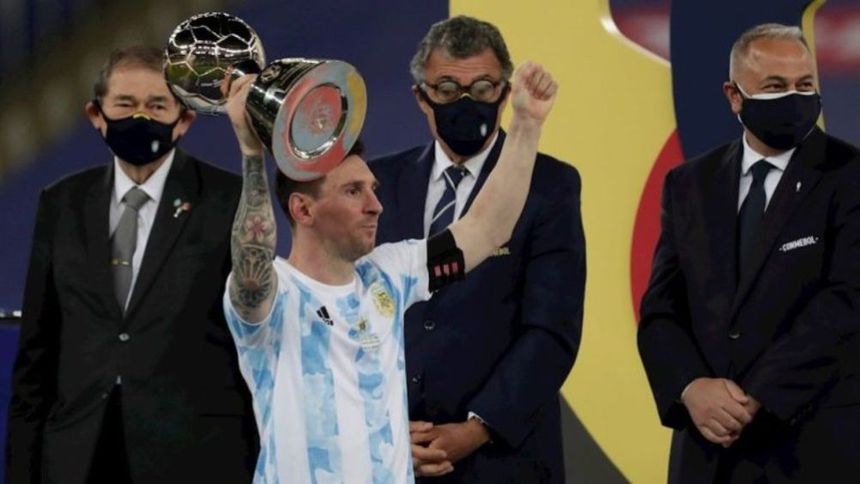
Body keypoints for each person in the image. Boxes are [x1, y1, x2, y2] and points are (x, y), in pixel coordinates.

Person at [223, 57, 557, 483]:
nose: (375, 205)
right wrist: (252, 154)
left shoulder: (390, 274)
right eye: (353, 191)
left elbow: (487, 229)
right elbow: (251, 257)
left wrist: (527, 123)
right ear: (303, 210)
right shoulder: (273, 296)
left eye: (373, 189)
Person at [6, 46, 258, 484]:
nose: (140, 117)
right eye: (125, 104)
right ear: (95, 115)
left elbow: (255, 343)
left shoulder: (228, 200)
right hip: (77, 458)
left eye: (157, 105)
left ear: (184, 119)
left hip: (195, 459)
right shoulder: (62, 203)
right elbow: (37, 356)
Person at [638, 23, 860, 483]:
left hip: (814, 445)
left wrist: (752, 398)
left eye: (805, 85)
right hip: (707, 451)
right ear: (734, 96)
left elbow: (846, 303)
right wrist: (691, 388)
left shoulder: (850, 175)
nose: (794, 97)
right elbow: (662, 309)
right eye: (776, 86)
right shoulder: (689, 184)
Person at [369, 15, 584, 482]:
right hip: (390, 453)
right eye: (447, 88)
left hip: (503, 458)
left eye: (483, 87)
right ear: (421, 97)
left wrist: (477, 427)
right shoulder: (373, 185)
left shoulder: (550, 186)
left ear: (504, 93)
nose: (466, 102)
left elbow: (552, 329)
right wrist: (385, 427)